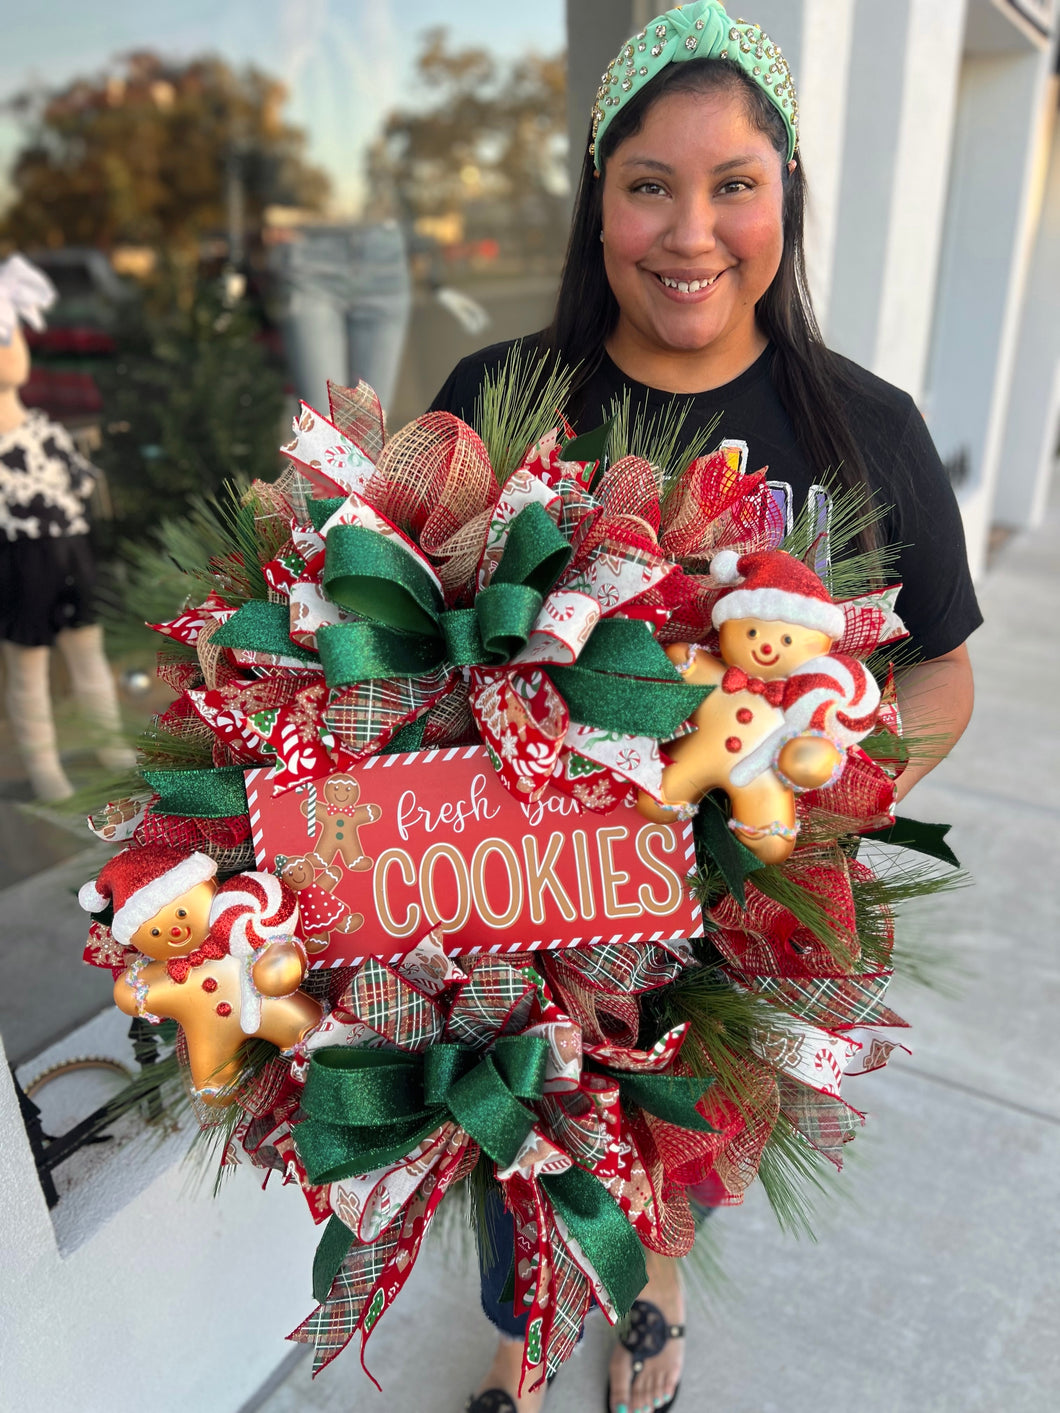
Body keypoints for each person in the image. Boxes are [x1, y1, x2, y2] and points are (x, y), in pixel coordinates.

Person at [430, 5, 981, 1411]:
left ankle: (655, 1315)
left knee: (683, 1154)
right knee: (522, 1155)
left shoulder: (866, 429)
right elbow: (392, 648)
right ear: (597, 202)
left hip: (734, 933)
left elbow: (937, 668)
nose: (691, 234)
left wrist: (812, 792)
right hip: (528, 919)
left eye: (735, 183)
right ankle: (525, 1340)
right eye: (649, 187)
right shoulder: (498, 403)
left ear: (785, 190)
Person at [0, 254, 134, 800]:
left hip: (72, 552)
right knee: (28, 670)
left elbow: (78, 485)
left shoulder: (42, 429)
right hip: (20, 560)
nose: (14, 349)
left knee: (90, 654)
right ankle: (43, 765)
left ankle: (108, 742)